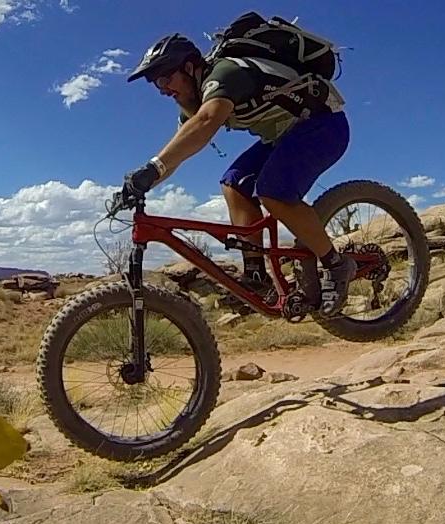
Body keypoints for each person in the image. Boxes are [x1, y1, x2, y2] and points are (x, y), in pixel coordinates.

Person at [121, 33, 356, 317]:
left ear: (189, 67)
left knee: (273, 192)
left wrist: (153, 168)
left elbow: (207, 122)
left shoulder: (226, 73)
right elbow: (177, 154)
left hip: (324, 125)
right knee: (234, 183)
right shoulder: (193, 106)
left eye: (164, 78)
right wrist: (139, 186)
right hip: (284, 136)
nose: (162, 90)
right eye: (155, 83)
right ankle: (257, 277)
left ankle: (336, 263)